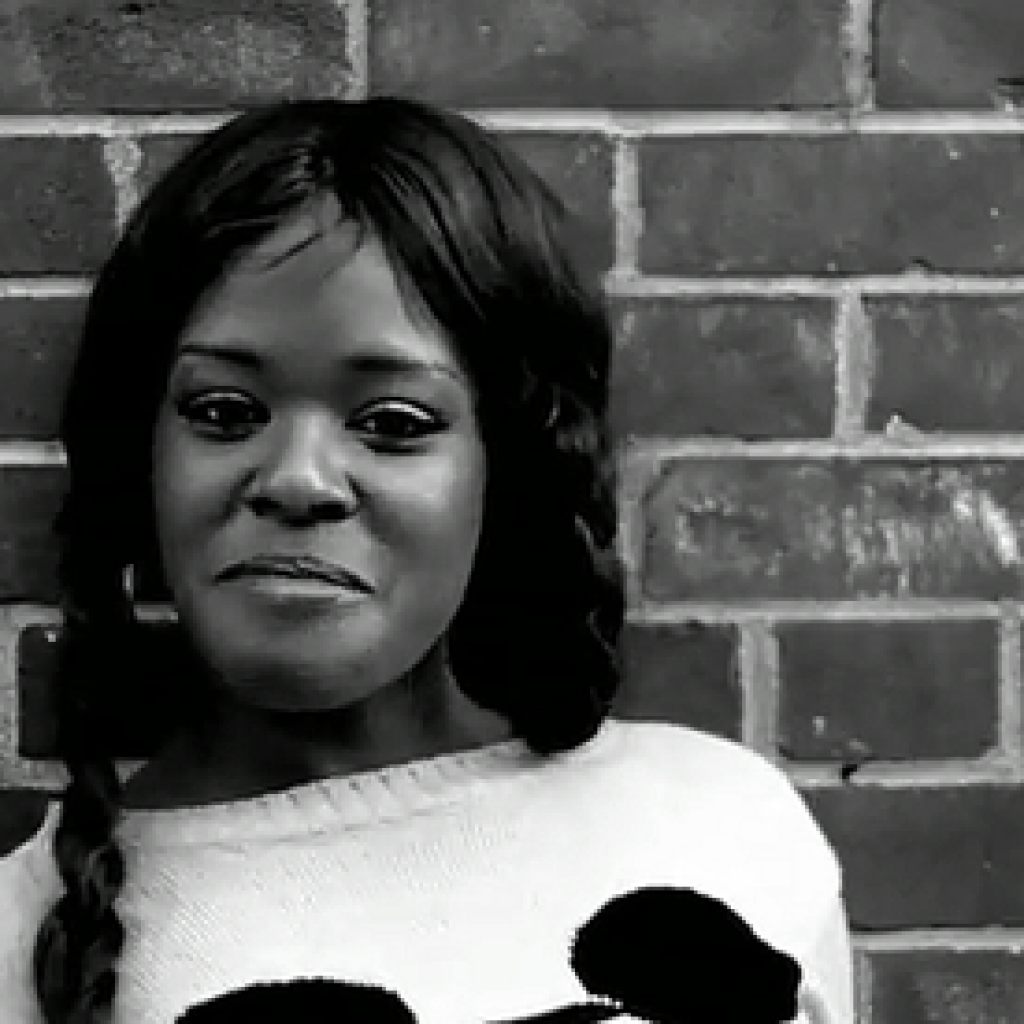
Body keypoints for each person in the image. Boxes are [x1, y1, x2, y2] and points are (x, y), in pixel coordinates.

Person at [0, 96, 853, 1023]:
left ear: (504, 467)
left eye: (394, 422)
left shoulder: (721, 826)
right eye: (224, 413)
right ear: (141, 460)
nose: (298, 480)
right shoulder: (27, 943)